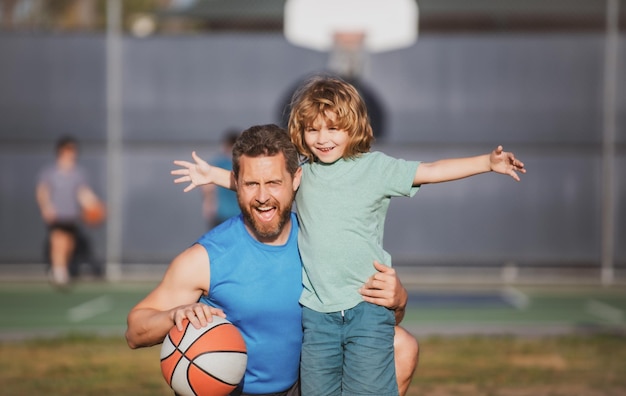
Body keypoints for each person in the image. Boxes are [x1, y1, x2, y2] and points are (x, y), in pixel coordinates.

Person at [174, 75, 526, 395]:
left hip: (367, 308)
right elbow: (262, 186)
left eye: (333, 128)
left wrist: (486, 163)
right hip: (317, 315)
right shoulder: (304, 174)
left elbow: (431, 170)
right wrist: (214, 176)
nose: (322, 138)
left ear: (353, 126)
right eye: (313, 130)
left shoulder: (377, 168)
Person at [129, 124, 418, 396]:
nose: (263, 196)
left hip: (305, 384)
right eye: (251, 184)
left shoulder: (321, 243)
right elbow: (135, 331)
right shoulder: (205, 259)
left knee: (400, 345)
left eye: (273, 183)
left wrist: (398, 299)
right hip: (234, 390)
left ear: (296, 180)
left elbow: (370, 322)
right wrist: (174, 315)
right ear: (236, 184)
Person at [36, 135, 104, 287]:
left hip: (71, 215)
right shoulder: (51, 172)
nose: (72, 153)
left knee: (69, 244)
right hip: (56, 215)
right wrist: (46, 207)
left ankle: (62, 269)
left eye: (73, 150)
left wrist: (94, 204)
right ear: (61, 151)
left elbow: (83, 193)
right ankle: (59, 272)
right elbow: (42, 191)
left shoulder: (78, 173)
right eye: (68, 150)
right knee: (58, 241)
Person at [201, 130, 241, 230]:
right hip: (240, 215)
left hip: (221, 214)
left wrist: (208, 204)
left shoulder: (217, 164)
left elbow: (207, 188)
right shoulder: (243, 165)